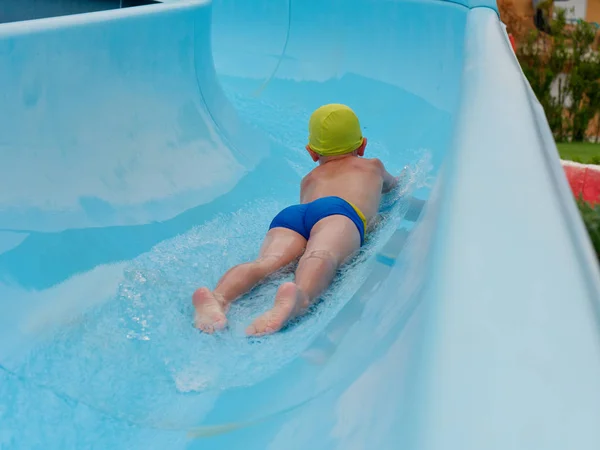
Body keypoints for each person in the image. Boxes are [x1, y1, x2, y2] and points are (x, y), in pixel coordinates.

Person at [193, 103, 399, 336]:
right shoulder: (373, 166)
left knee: (266, 262)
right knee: (320, 255)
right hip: (339, 213)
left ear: (311, 152)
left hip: (293, 216)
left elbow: (311, 226)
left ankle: (218, 298)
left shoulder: (309, 179)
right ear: (362, 146)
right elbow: (396, 190)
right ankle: (298, 298)